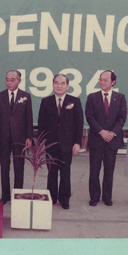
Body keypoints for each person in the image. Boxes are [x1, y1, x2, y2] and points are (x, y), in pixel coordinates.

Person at [38, 74, 84, 209]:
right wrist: (42, 143)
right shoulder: (46, 102)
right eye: (56, 83)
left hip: (67, 144)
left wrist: (77, 143)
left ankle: (65, 199)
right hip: (50, 144)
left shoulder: (75, 101)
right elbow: (42, 124)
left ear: (68, 86)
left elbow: (79, 124)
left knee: (65, 171)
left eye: (62, 83)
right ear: (52, 85)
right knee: (51, 172)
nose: (59, 86)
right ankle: (51, 197)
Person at [85, 70, 127, 206]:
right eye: (100, 79)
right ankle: (94, 197)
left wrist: (111, 133)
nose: (102, 82)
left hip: (112, 141)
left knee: (109, 170)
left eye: (105, 80)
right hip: (97, 139)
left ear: (113, 82)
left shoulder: (120, 97)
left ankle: (107, 197)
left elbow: (122, 118)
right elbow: (89, 116)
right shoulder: (92, 97)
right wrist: (101, 131)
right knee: (94, 170)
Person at [0, 70, 33, 205]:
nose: (9, 82)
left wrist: (29, 136)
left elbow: (29, 118)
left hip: (20, 138)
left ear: (19, 81)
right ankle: (5, 196)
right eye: (7, 79)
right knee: (4, 166)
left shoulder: (25, 96)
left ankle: (18, 195)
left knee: (19, 167)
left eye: (12, 80)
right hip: (3, 137)